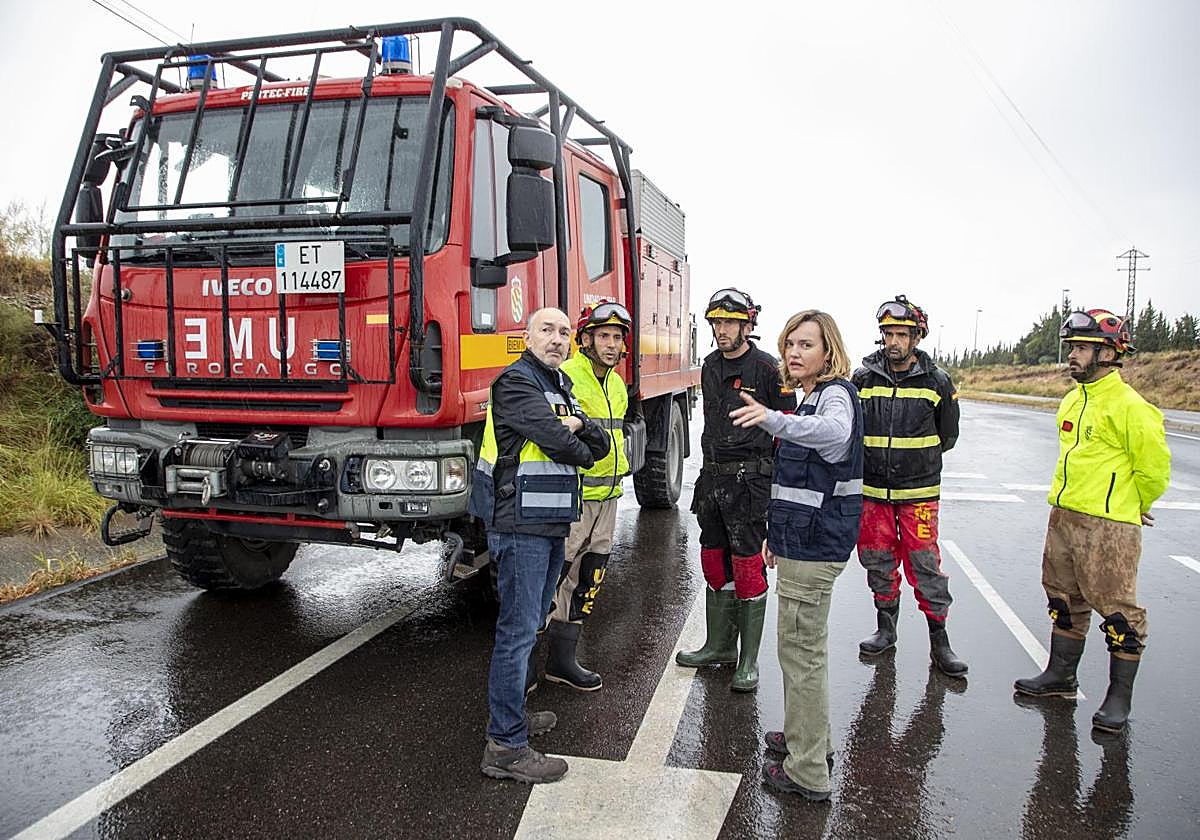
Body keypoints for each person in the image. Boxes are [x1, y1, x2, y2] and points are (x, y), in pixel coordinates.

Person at [468, 307, 611, 783]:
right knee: (516, 631)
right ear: (526, 337)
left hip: (548, 522)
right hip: (519, 524)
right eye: (546, 330)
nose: (557, 339)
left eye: (564, 332)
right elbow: (560, 442)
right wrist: (575, 434)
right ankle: (505, 746)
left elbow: (599, 442)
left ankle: (512, 719)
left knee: (530, 626)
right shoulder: (516, 382)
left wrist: (580, 429)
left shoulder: (558, 385)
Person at [1014, 309, 1170, 734]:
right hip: (1065, 516)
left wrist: (1132, 504)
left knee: (1119, 612)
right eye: (1072, 347)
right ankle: (1060, 677)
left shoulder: (1132, 407)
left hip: (1109, 523)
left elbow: (1154, 469)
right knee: (1063, 599)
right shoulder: (1072, 400)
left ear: (1109, 353)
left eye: (1082, 348)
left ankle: (1118, 699)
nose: (1072, 355)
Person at [730, 309, 862, 801]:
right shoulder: (811, 398)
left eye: (806, 344)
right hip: (800, 540)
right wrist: (776, 535)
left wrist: (773, 419)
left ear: (829, 352)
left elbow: (835, 434)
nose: (794, 352)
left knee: (801, 653)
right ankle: (809, 740)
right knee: (804, 652)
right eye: (789, 344)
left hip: (815, 544)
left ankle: (807, 771)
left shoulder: (835, 395)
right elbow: (797, 483)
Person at [676, 288, 794, 692]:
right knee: (713, 561)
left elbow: (788, 432)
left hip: (751, 484)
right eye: (716, 322)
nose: (721, 329)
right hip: (713, 481)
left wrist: (778, 491)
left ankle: (748, 660)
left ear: (747, 325)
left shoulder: (768, 368)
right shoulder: (710, 365)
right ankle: (720, 646)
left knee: (747, 567)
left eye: (729, 322)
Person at [851, 295, 967, 677]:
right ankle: (886, 630)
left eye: (902, 334)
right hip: (873, 493)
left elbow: (948, 436)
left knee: (925, 565)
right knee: (877, 561)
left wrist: (915, 463)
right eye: (888, 334)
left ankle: (940, 643)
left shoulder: (938, 381)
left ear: (917, 337)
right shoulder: (863, 379)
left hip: (918, 495)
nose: (894, 342)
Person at [537, 300, 632, 691]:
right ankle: (525, 670)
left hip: (607, 498)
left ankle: (562, 662)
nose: (611, 345)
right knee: (551, 579)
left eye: (617, 338)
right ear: (587, 340)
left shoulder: (617, 384)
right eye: (603, 336)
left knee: (587, 579)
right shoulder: (567, 376)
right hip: (573, 499)